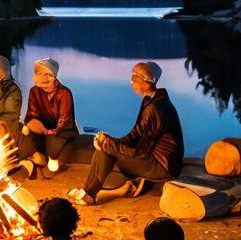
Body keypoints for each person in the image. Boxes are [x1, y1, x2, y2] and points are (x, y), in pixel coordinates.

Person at [69, 61, 184, 205]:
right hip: (154, 161)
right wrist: (111, 140)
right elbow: (135, 134)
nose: (131, 81)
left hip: (162, 168)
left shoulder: (155, 108)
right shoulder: (150, 100)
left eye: (135, 78)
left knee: (104, 151)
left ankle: (89, 194)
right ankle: (93, 190)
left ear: (147, 82)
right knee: (107, 147)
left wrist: (108, 146)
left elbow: (141, 152)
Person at [21, 58, 77, 180]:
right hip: (44, 129)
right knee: (24, 132)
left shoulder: (64, 93)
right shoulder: (34, 91)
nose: (43, 78)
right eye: (39, 73)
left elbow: (64, 120)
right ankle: (36, 158)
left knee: (52, 144)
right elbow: (32, 114)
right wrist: (36, 126)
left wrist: (52, 132)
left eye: (48, 74)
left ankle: (55, 162)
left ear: (54, 76)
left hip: (62, 132)